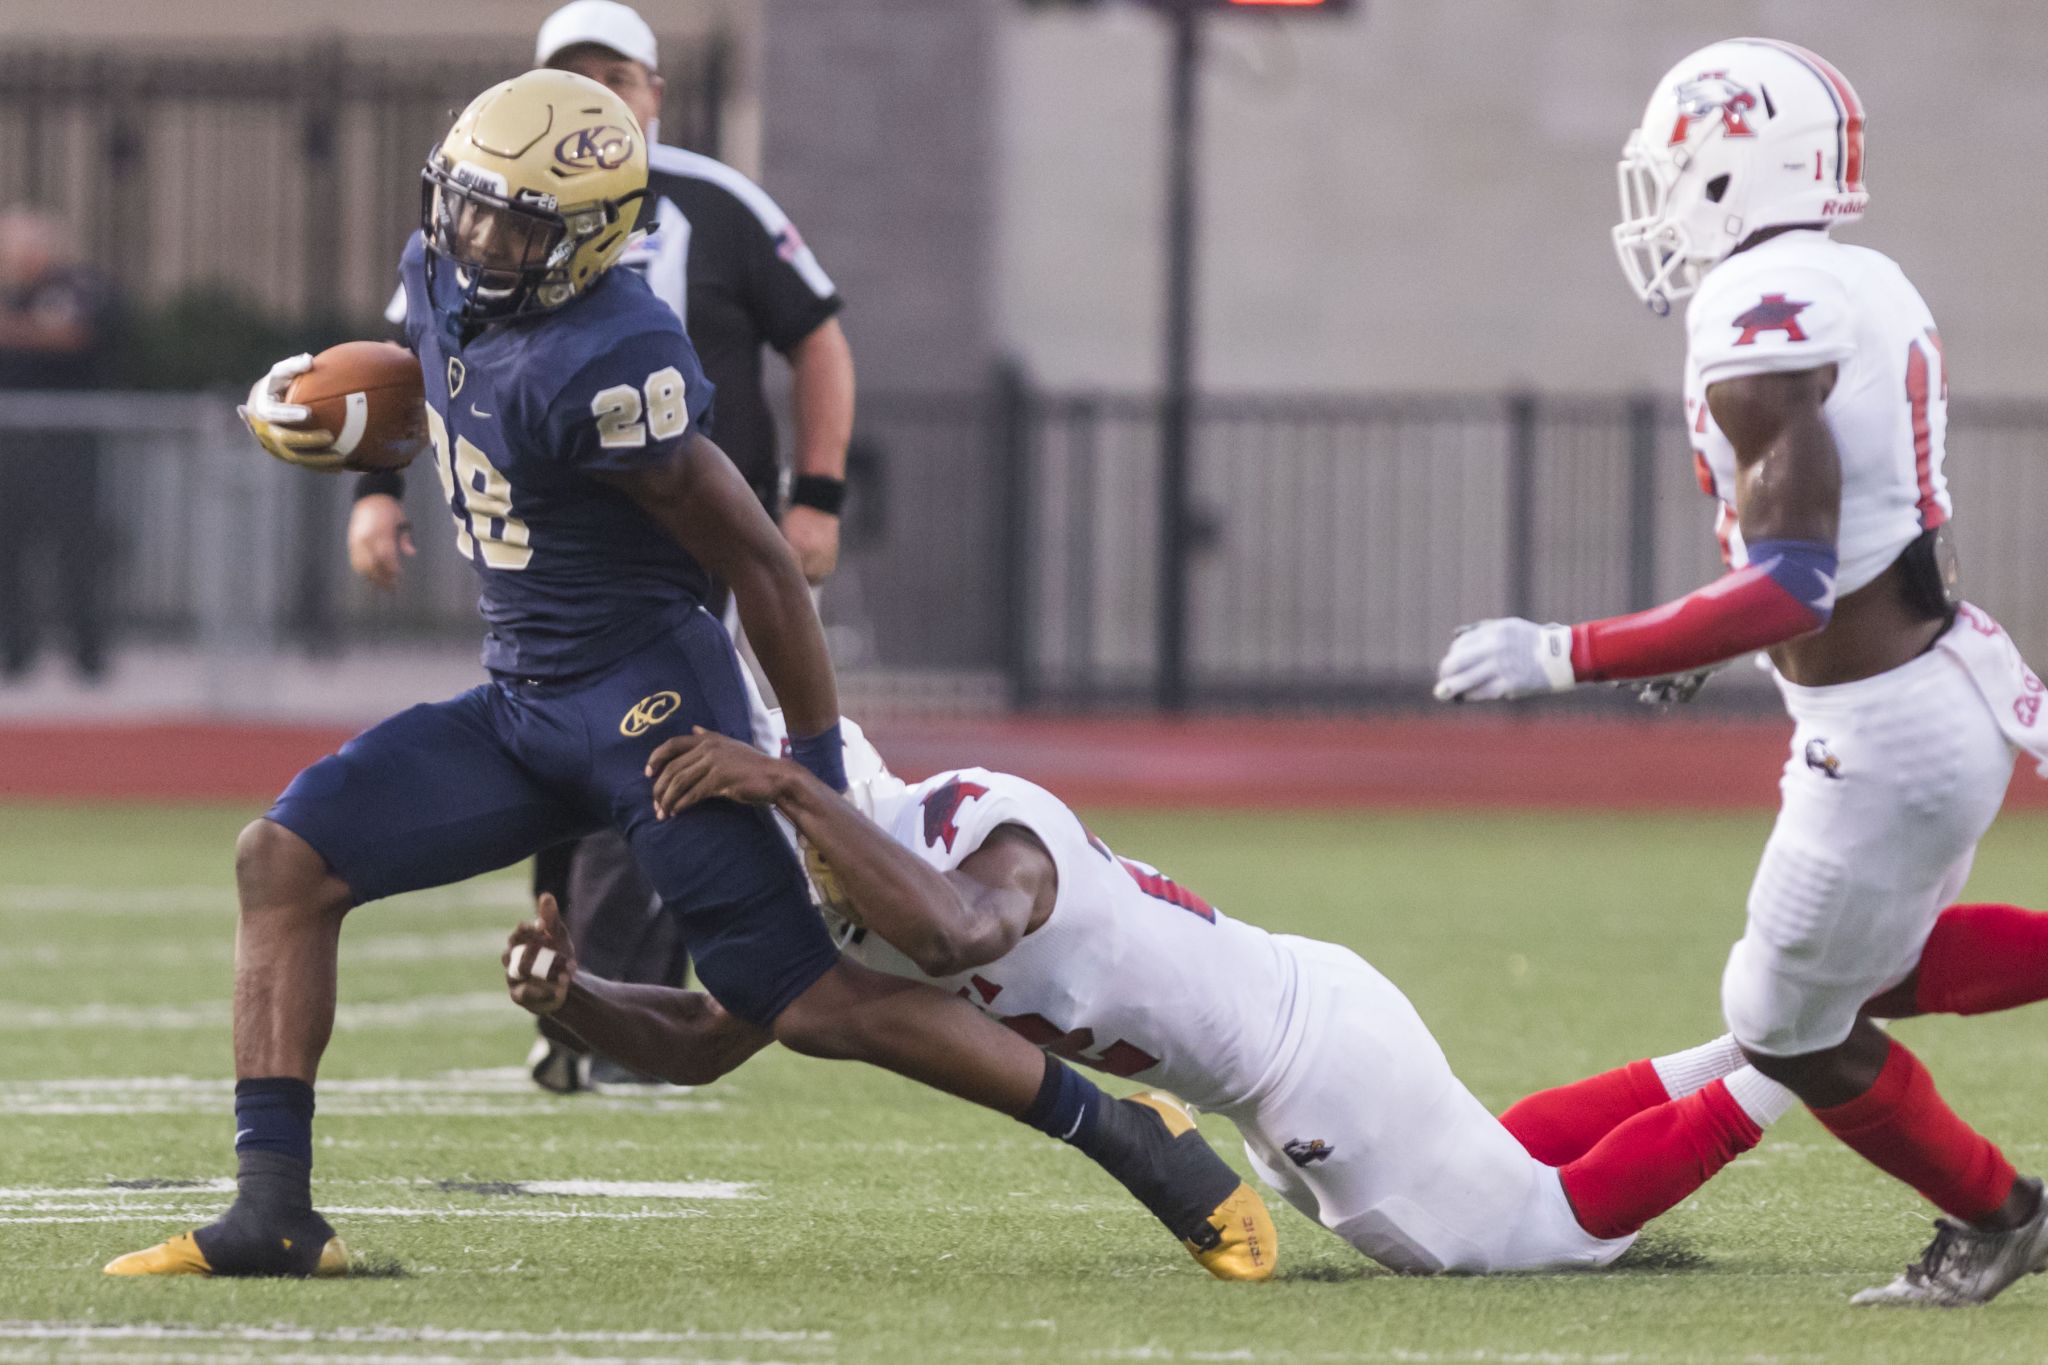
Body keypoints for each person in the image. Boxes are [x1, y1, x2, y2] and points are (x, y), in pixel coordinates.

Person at [104, 70, 1269, 1283]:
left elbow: (760, 563)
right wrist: (352, 432)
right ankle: (274, 1213)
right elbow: (442, 389)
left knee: (806, 1004)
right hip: (522, 700)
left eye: (513, 225)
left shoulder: (613, 356)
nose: (475, 238)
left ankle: (1132, 1138)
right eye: (466, 208)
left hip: (649, 707)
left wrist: (807, 769)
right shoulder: (446, 270)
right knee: (283, 860)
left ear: (594, 238)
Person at [1433, 38, 2048, 1306]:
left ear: (1731, 168)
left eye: (1673, 170)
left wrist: (1564, 654)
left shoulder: (1759, 315)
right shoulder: (1858, 278)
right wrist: (1717, 639)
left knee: (1784, 1025)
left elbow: (1789, 585)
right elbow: (1852, 537)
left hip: (1877, 731)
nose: (1658, 201)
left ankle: (2001, 1214)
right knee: (1868, 972)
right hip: (1941, 681)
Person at [502, 714, 1804, 1274]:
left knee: (1540, 1231)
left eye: (794, 837)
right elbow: (700, 1043)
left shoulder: (979, 822)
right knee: (1504, 1157)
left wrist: (786, 786)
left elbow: (963, 934)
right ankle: (1746, 1049)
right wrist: (575, 996)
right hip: (1295, 1042)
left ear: (835, 808)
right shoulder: (860, 901)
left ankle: (1785, 1068)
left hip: (1309, 1065)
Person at [348, 0, 857, 1092]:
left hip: (689, 539)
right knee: (569, 755)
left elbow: (816, 335)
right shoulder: (484, 209)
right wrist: (371, 483)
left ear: (653, 93)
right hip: (553, 542)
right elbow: (418, 353)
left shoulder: (718, 203)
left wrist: (814, 494)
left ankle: (644, 1007)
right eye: (571, 80)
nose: (595, 105)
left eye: (614, 80)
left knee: (652, 760)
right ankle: (589, 1008)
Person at [0, 209, 115, 682]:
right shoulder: (13, 294)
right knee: (9, 550)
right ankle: (16, 653)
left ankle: (87, 655)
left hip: (67, 445)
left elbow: (72, 335)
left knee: (76, 550)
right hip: (13, 447)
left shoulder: (76, 286)